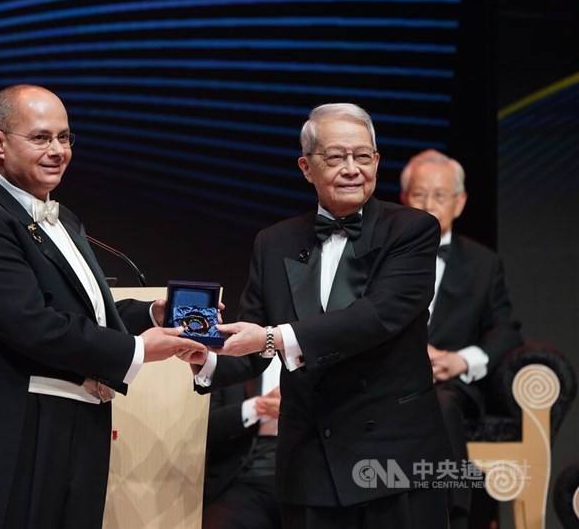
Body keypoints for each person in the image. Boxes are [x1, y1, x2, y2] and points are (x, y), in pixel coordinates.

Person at [0, 84, 205, 529]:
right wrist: (137, 351)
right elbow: (32, 325)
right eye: (41, 138)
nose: (58, 150)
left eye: (65, 138)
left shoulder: (64, 218)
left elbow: (83, 312)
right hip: (17, 436)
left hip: (76, 427)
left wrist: (151, 316)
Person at [193, 103, 453, 529]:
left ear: (377, 162)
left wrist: (273, 339)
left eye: (363, 156)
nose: (351, 168)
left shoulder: (411, 229)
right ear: (306, 167)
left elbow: (377, 316)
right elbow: (255, 339)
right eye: (335, 157)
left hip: (393, 458)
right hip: (310, 460)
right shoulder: (274, 242)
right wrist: (206, 357)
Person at [399, 149, 523, 528]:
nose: (429, 205)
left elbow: (506, 329)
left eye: (439, 196)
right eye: (420, 195)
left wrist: (461, 360)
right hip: (389, 380)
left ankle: (453, 516)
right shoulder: (375, 256)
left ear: (460, 201)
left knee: (442, 403)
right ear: (404, 199)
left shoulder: (484, 263)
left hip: (448, 385)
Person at [203, 356, 282, 529]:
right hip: (244, 475)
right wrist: (257, 407)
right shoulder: (233, 362)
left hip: (302, 477)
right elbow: (206, 428)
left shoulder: (317, 356)